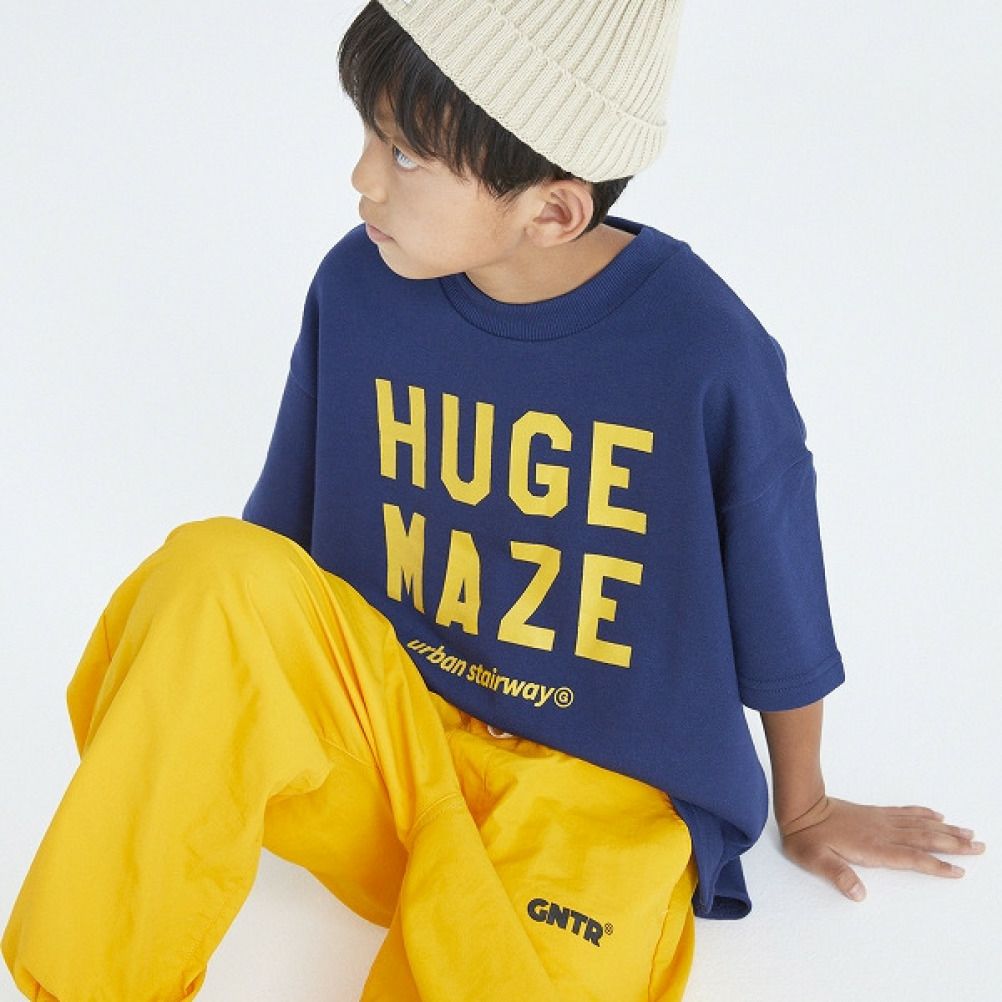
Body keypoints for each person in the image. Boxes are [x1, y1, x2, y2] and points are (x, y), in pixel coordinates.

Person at [2, 1, 986, 1000]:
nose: (362, 177)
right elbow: (267, 578)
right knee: (210, 570)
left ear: (553, 211)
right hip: (388, 753)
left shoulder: (703, 352)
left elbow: (780, 606)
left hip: (596, 798)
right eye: (370, 134)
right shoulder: (358, 288)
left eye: (405, 154)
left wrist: (804, 806)